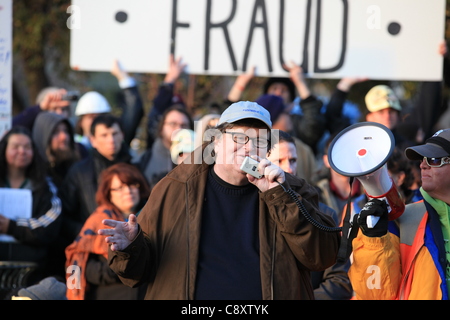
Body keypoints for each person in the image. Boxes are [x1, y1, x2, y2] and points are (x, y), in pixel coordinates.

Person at [98, 100, 340, 300]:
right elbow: (139, 273)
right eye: (239, 138)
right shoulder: (175, 187)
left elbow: (321, 257)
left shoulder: (291, 189)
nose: (248, 148)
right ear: (216, 141)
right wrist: (131, 247)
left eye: (259, 141)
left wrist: (278, 196)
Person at [348, 128, 450, 300]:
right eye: (423, 159)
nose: (422, 165)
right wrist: (374, 239)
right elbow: (375, 294)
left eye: (434, 160)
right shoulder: (401, 219)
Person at [266, 130, 352, 300]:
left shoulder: (324, 214)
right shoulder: (252, 215)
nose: (288, 168)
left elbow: (340, 280)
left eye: (293, 160)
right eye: (279, 161)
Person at [65, 163, 150, 300]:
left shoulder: (152, 216)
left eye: (132, 185)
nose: (128, 191)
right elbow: (83, 264)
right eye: (120, 188)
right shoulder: (98, 221)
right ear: (108, 193)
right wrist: (119, 269)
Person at [59, 114, 133, 248]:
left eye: (114, 133)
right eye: (104, 135)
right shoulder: (79, 172)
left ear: (122, 135)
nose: (111, 140)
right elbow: (64, 216)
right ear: (92, 140)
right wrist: (88, 233)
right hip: (92, 249)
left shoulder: (134, 169)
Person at [0, 126, 62, 285]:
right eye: (15, 147)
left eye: (27, 147)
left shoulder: (46, 186)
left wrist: (11, 226)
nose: (22, 151)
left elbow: (49, 225)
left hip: (31, 275)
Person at [256, 93, 317, 184]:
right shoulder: (253, 150)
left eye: (293, 160)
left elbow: (314, 183)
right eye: (286, 113)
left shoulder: (301, 148)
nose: (289, 169)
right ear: (272, 117)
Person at [138, 105, 193, 188]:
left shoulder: (198, 157)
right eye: (173, 124)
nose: (179, 129)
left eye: (184, 125)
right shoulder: (144, 160)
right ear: (161, 127)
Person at [31, 112, 86, 188]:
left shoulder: (77, 167)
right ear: (43, 136)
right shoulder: (34, 174)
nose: (64, 137)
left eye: (66, 131)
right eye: (55, 132)